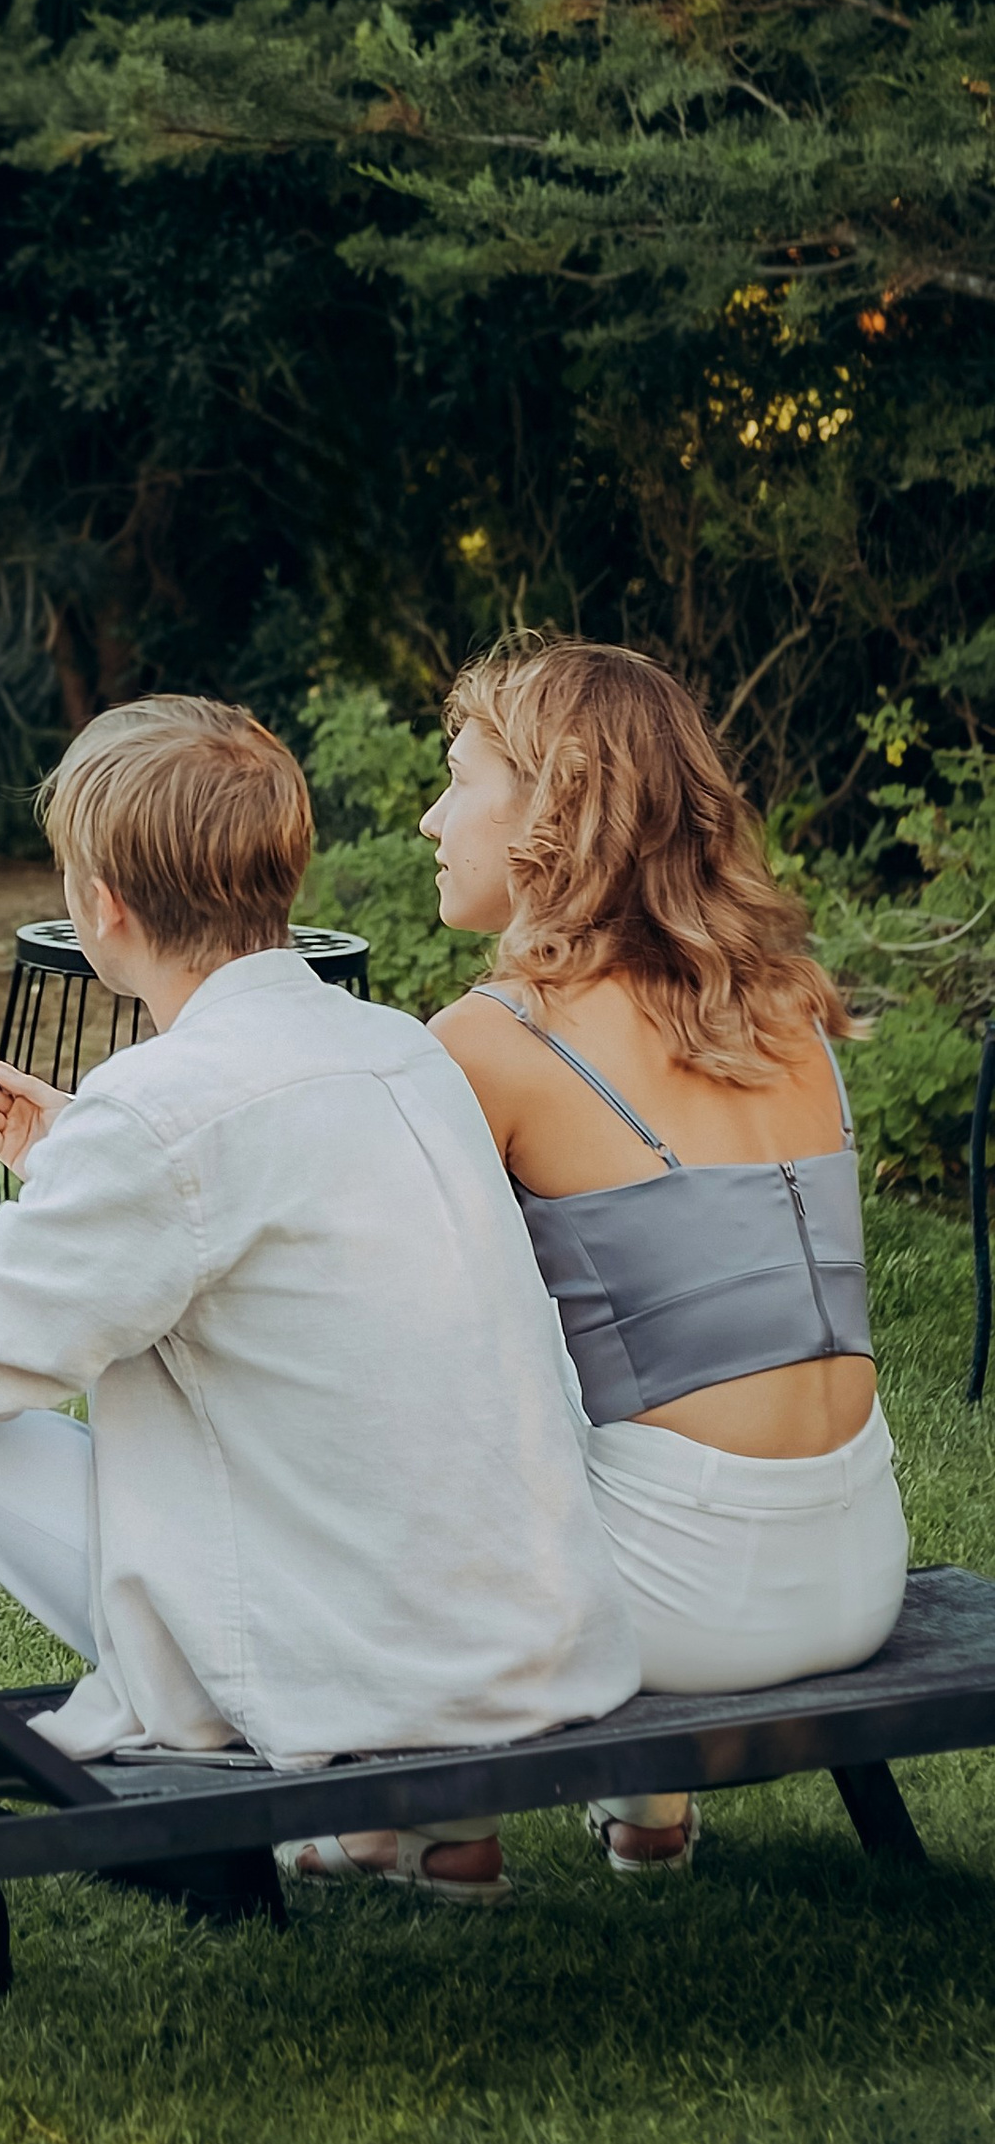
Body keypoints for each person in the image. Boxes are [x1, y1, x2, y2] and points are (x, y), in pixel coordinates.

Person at [0, 696, 638, 1992]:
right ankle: (169, 1848)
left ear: (104, 907)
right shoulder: (396, 1047)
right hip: (513, 1612)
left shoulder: (166, 1105)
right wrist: (76, 1147)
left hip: (346, 1652)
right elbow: (254, 1215)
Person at [424, 634, 906, 1874]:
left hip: (674, 1612)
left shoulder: (492, 1039)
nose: (433, 817)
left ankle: (429, 1831)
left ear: (550, 808)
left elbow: (385, 1324)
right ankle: (645, 1812)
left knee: (412, 1370)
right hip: (858, 1571)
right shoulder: (786, 997)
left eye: (459, 778)